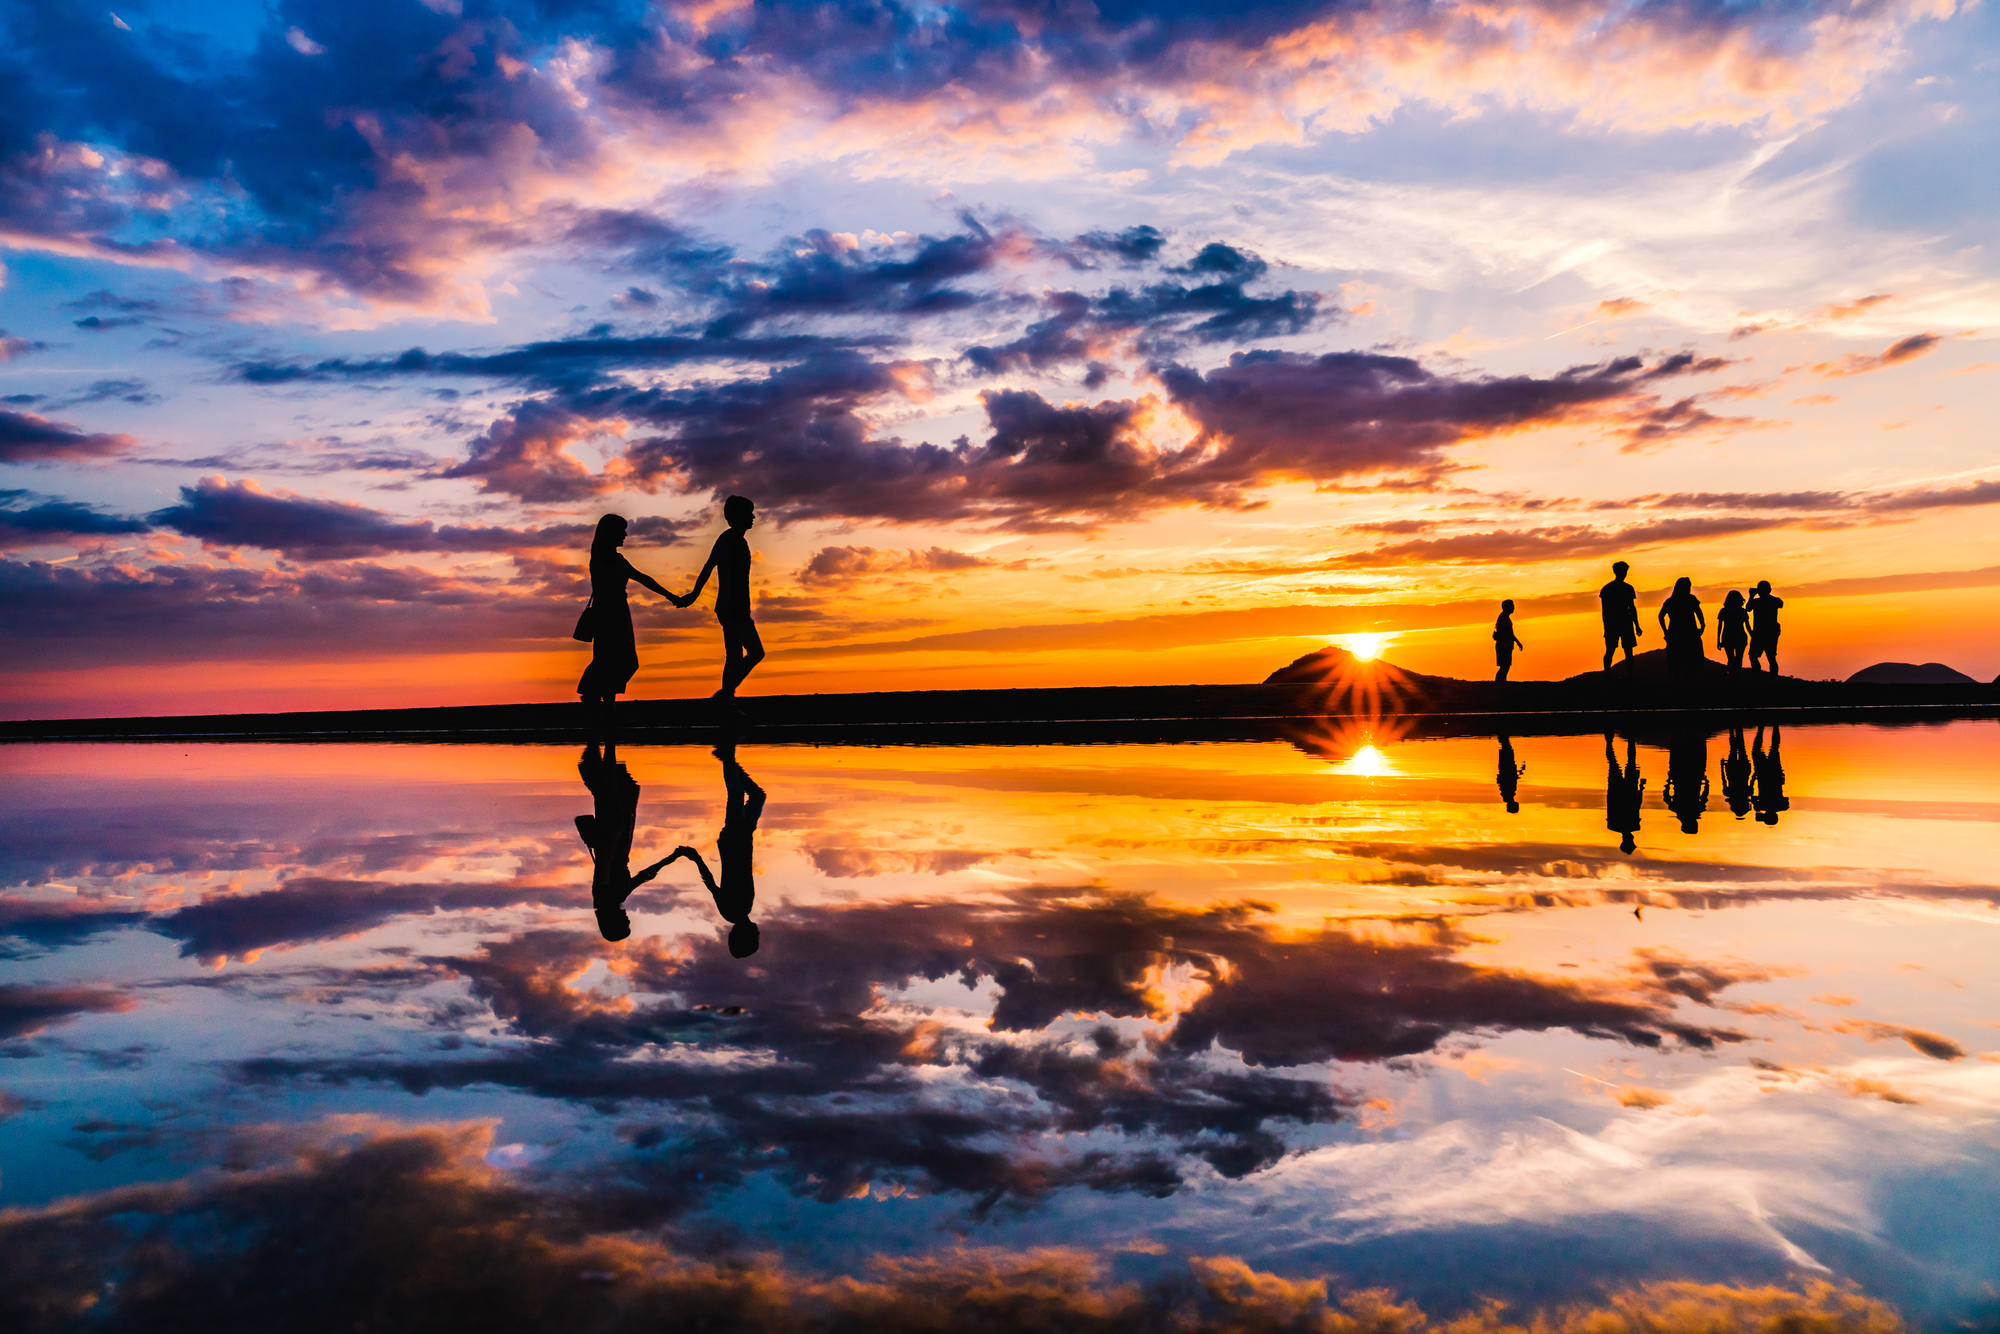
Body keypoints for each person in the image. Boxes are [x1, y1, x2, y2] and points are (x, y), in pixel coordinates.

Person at [670, 742, 766, 958]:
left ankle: (728, 753)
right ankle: (728, 760)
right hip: (742, 839)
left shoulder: (733, 911)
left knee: (736, 794)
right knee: (757, 796)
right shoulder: (741, 910)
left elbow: (711, 884)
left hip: (735, 839)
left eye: (755, 937)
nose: (759, 933)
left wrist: (695, 858)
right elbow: (718, 883)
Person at [577, 514, 676, 716]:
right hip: (606, 613)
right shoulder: (598, 557)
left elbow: (643, 578)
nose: (625, 534)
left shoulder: (618, 559)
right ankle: (600, 701)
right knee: (608, 660)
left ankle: (596, 698)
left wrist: (671, 596)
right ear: (610, 533)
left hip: (620, 612)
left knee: (623, 661)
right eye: (621, 530)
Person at [575, 741, 673, 941]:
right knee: (613, 793)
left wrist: (615, 835)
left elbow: (603, 866)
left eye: (625, 922)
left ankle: (607, 743)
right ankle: (597, 751)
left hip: (612, 839)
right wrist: (672, 858)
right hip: (618, 842)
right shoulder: (615, 899)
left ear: (613, 921)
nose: (628, 919)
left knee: (609, 794)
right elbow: (644, 876)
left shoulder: (604, 899)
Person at [675, 495, 765, 701]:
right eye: (748, 513)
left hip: (741, 607)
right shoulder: (727, 539)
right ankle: (726, 700)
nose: (753, 517)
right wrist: (694, 596)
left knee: (755, 653)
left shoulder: (740, 541)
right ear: (738, 517)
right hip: (730, 606)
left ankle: (725, 696)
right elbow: (709, 566)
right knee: (734, 656)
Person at [1657, 576, 1706, 684]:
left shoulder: (1670, 601)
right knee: (1691, 660)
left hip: (1675, 634)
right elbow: (1699, 613)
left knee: (1676, 661)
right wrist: (1702, 626)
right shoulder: (1691, 599)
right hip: (1690, 633)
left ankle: (1678, 684)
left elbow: (1661, 616)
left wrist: (1665, 631)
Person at [1662, 726, 1709, 834]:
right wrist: (1668, 783)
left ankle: (1686, 730)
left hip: (1690, 777)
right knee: (1682, 750)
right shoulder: (1678, 809)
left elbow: (1704, 796)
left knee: (1687, 751)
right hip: (1683, 777)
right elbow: (1666, 797)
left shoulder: (1695, 810)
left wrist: (1706, 783)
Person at [1599, 561, 1642, 674]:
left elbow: (1604, 610)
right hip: (1625, 622)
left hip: (1611, 623)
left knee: (1610, 651)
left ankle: (1607, 674)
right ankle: (1628, 676)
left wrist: (1606, 625)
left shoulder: (1606, 589)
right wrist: (1637, 625)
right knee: (1628, 651)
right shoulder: (1628, 588)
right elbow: (1632, 608)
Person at [1605, 733, 1644, 855]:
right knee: (1613, 762)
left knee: (1629, 760)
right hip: (1617, 791)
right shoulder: (1612, 826)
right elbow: (1610, 805)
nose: (1633, 839)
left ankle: (1630, 738)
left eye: (1632, 841)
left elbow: (1637, 804)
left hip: (1627, 790)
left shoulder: (1634, 825)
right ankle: (1610, 741)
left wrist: (1641, 788)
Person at [1752, 724, 1788, 825]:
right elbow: (1753, 798)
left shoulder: (1782, 807)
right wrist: (1758, 812)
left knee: (1774, 749)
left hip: (1775, 776)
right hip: (1762, 775)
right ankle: (1760, 729)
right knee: (1756, 751)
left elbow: (1786, 800)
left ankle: (1775, 726)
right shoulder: (1760, 806)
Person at [1747, 580, 1784, 674]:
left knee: (1753, 656)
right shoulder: (1776, 600)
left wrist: (1751, 595)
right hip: (1771, 632)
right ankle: (1774, 678)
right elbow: (1781, 604)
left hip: (1759, 632)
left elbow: (1748, 608)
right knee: (1771, 657)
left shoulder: (1756, 602)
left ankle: (1757, 676)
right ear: (1770, 590)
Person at [1720, 727, 1753, 818]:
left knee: (1741, 748)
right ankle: (1732, 730)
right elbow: (1723, 779)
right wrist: (1722, 767)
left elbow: (1753, 780)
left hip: (1743, 770)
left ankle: (1738, 730)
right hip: (1732, 770)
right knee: (1734, 749)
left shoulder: (1748, 793)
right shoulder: (1728, 793)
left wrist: (1754, 771)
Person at [1716, 590, 1749, 672]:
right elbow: (1748, 626)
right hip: (1740, 637)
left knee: (1730, 658)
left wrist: (1718, 639)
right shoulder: (1742, 611)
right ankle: (1737, 677)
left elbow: (1720, 626)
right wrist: (1753, 636)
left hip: (1727, 637)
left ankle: (1730, 676)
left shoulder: (1723, 611)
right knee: (1739, 659)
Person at [1493, 600, 1524, 682]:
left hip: (1504, 645)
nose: (1514, 607)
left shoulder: (1504, 617)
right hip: (1504, 645)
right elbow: (1509, 632)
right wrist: (1518, 642)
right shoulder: (1504, 617)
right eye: (1512, 605)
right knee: (1505, 667)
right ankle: (1500, 683)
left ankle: (1501, 683)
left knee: (1505, 667)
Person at [1496, 735, 1524, 813]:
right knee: (1507, 748)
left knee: (1506, 748)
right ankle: (1503, 735)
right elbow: (1509, 779)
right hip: (1506, 767)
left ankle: (1503, 735)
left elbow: (1507, 778)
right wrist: (1518, 773)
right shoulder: (1509, 794)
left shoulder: (1508, 793)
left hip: (1506, 767)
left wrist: (1517, 773)